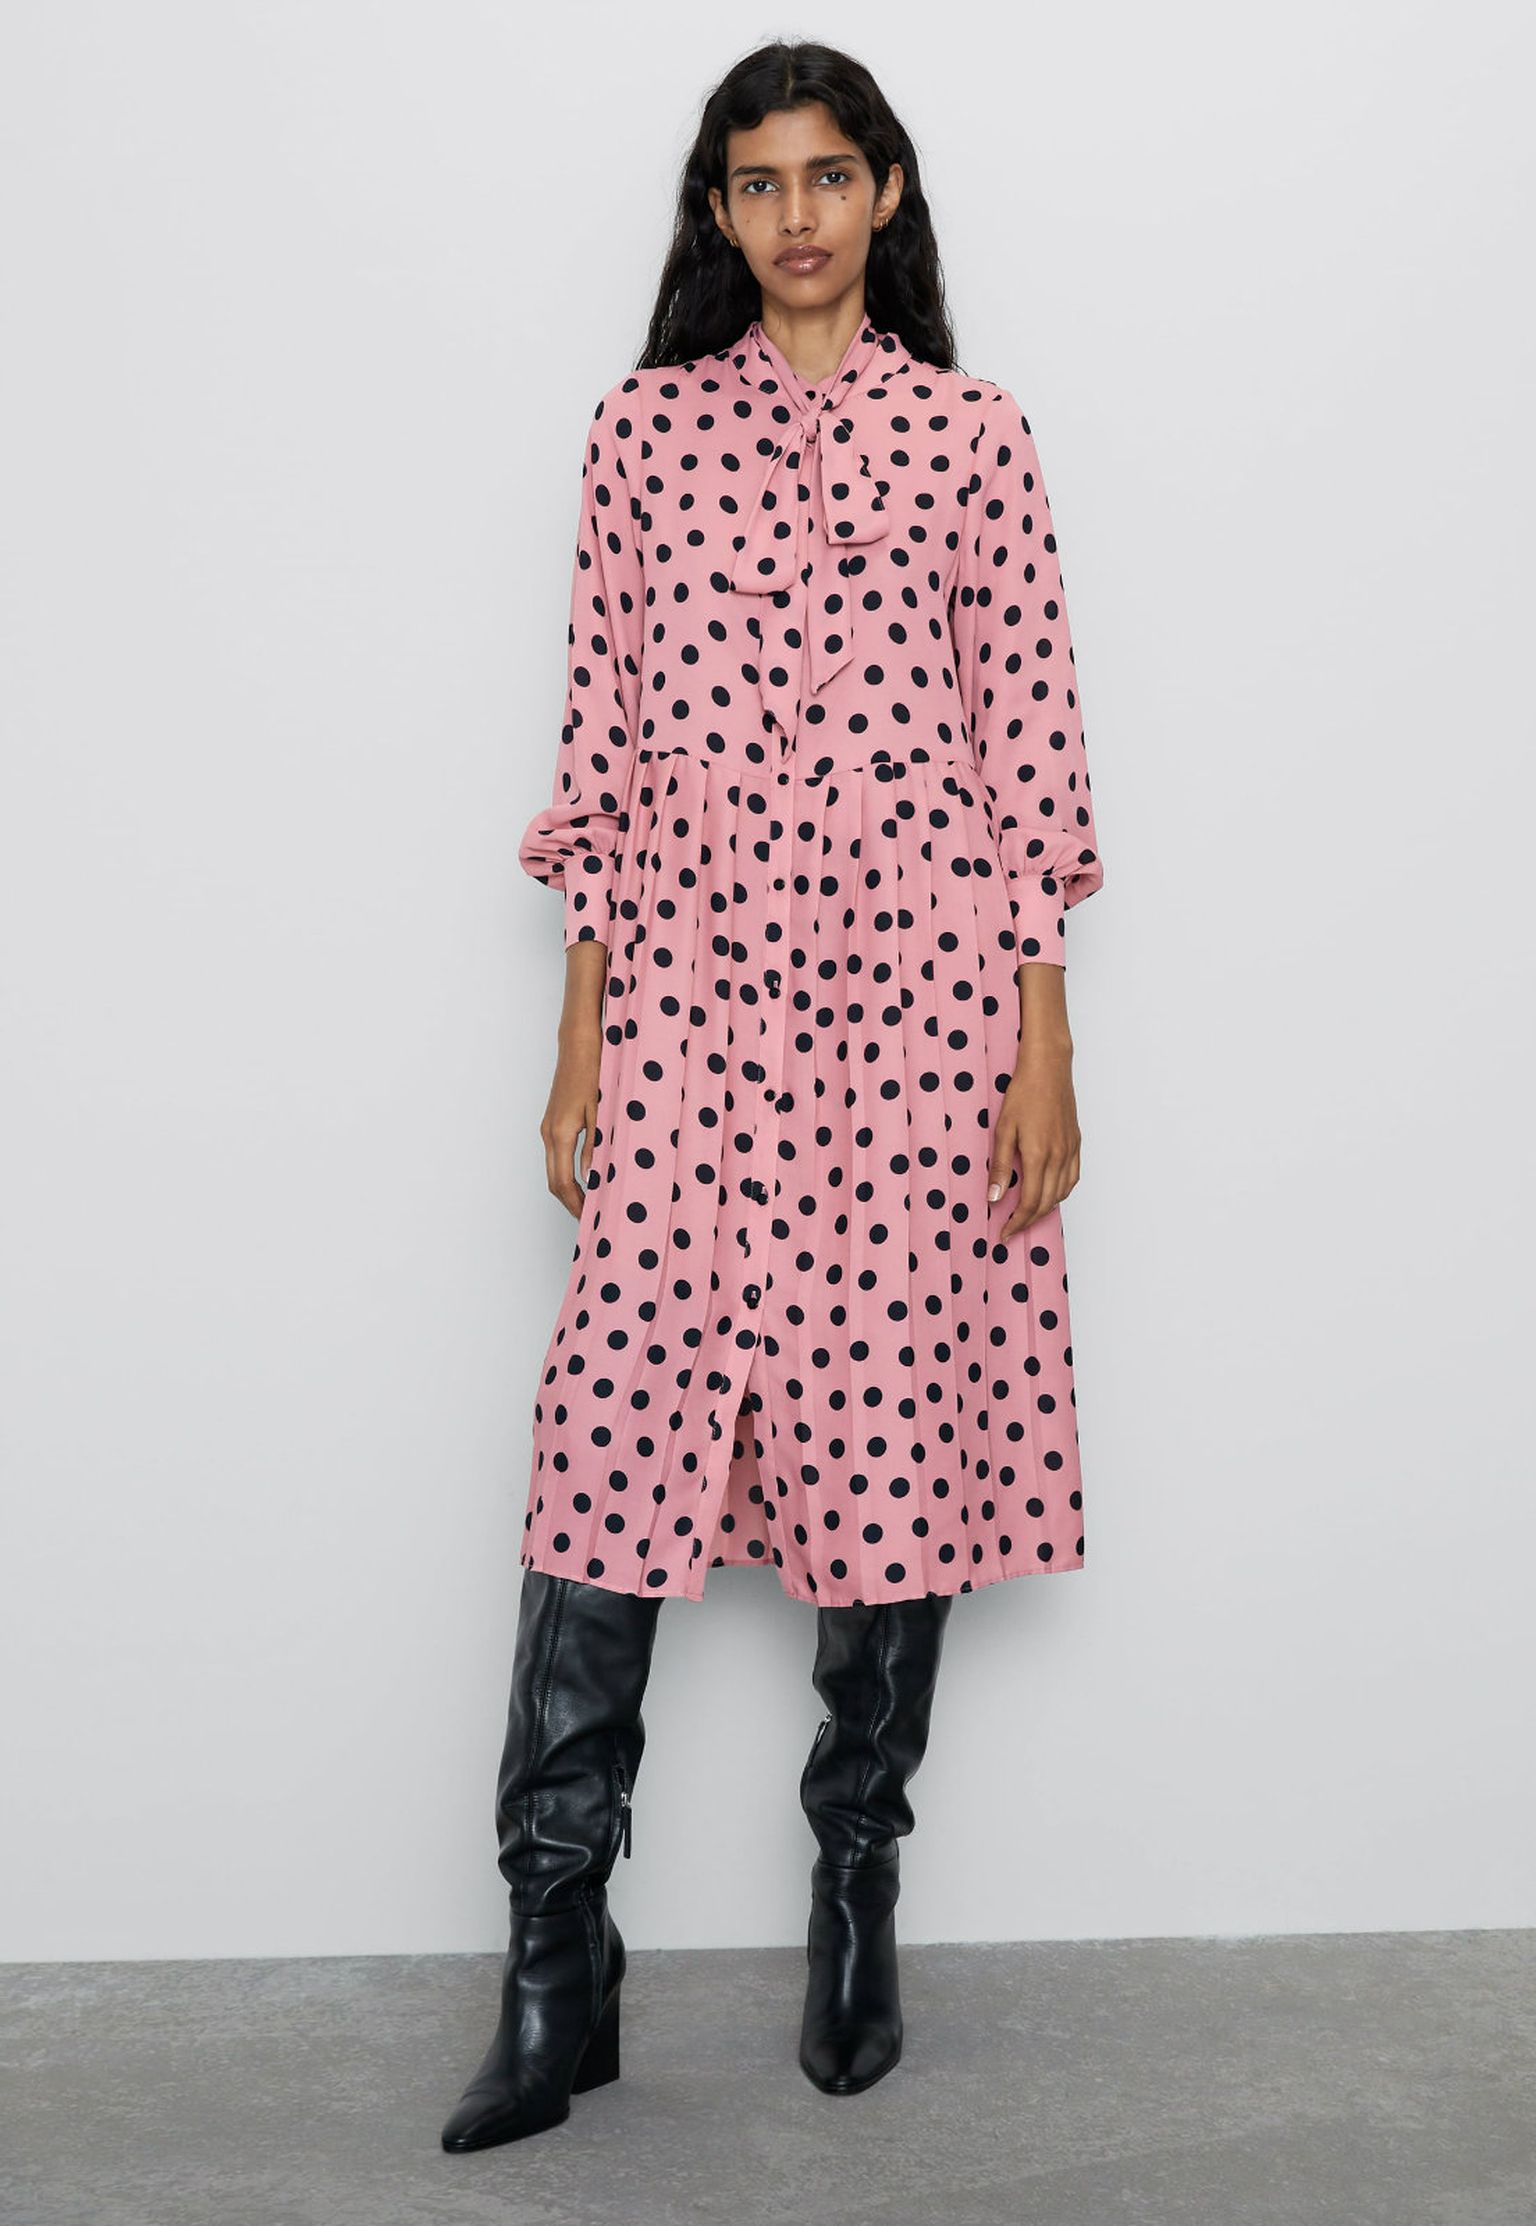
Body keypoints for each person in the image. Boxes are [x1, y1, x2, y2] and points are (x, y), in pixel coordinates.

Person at [441, 38, 1103, 2152]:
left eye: (830, 175)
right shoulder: (641, 435)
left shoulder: (977, 439)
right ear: (716, 212)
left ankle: (856, 1888)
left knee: (886, 1423)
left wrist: (1043, 1039)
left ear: (885, 193)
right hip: (696, 1002)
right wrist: (581, 1030)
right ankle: (558, 1957)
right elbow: (606, 746)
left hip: (920, 1008)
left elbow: (1031, 757)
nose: (797, 215)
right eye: (758, 181)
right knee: (605, 1441)